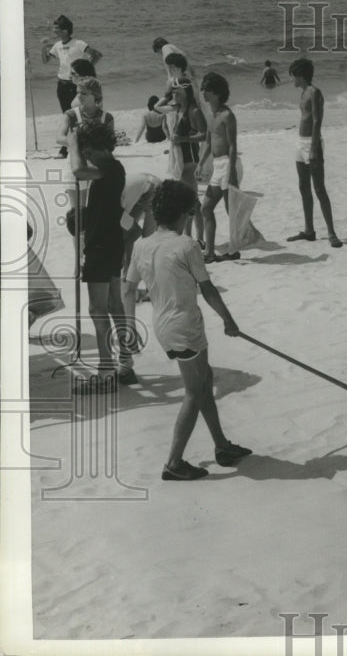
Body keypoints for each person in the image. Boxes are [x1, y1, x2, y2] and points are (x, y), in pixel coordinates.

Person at [122, 180, 251, 481]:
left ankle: (222, 446)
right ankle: (173, 463)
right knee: (194, 392)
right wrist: (229, 321)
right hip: (186, 328)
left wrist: (129, 329)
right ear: (185, 214)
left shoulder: (141, 245)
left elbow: (128, 291)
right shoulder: (187, 246)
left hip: (163, 325)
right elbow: (208, 290)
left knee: (204, 380)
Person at [68, 119, 135, 390]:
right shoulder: (113, 166)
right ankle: (125, 363)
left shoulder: (107, 167)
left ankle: (106, 370)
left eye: (86, 150)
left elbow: (77, 170)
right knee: (114, 306)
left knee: (97, 309)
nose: (85, 156)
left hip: (99, 246)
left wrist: (73, 145)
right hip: (112, 242)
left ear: (91, 147)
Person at [287, 58, 342, 248]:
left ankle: (332, 233)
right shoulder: (302, 93)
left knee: (319, 188)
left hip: (313, 143)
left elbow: (318, 121)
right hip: (300, 142)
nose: (292, 79)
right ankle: (309, 231)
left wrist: (312, 149)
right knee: (303, 187)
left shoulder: (314, 92)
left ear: (300, 75)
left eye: (293, 75)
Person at [199, 72, 241, 263]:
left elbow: (233, 145)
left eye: (206, 90)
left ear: (216, 92)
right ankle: (209, 252)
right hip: (216, 165)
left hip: (227, 163)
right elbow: (208, 141)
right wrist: (200, 163)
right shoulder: (211, 114)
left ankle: (233, 250)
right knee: (206, 208)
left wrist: (232, 171)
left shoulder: (227, 115)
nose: (203, 93)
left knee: (230, 210)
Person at [56, 78, 116, 211]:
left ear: (95, 95)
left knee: (96, 208)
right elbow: (59, 137)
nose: (79, 96)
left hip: (98, 164)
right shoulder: (71, 114)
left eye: (84, 93)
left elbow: (110, 146)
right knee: (77, 209)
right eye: (78, 92)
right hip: (76, 161)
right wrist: (75, 142)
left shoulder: (107, 118)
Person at [170, 80, 208, 244]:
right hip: (179, 160)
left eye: (177, 92)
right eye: (173, 91)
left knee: (192, 202)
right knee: (188, 201)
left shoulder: (194, 111)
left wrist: (183, 138)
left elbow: (204, 135)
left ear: (186, 93)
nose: (173, 94)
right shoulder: (178, 108)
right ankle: (191, 237)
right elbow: (158, 106)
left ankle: (197, 238)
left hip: (189, 160)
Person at [41, 14, 102, 113]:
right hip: (61, 85)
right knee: (67, 114)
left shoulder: (78, 43)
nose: (53, 31)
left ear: (65, 30)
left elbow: (97, 55)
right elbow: (45, 61)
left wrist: (84, 70)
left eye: (56, 28)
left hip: (76, 85)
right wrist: (43, 48)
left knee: (80, 113)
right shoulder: (57, 45)